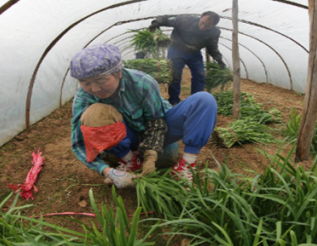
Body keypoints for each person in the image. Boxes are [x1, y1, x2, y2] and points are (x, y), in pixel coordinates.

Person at [70, 43, 218, 189]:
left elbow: (156, 123)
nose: (94, 89)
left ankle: (185, 166)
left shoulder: (142, 83)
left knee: (204, 100)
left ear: (119, 73)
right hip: (125, 139)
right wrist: (106, 171)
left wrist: (151, 155)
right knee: (95, 113)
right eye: (86, 83)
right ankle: (130, 160)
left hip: (158, 131)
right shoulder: (84, 97)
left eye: (101, 81)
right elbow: (78, 143)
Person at [148, 11, 226, 105]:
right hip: (176, 50)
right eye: (202, 23)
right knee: (174, 75)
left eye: (207, 26)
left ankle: (196, 100)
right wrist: (156, 23)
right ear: (200, 17)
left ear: (213, 25)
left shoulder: (214, 32)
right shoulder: (185, 20)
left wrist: (219, 60)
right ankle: (174, 100)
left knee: (200, 75)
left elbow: (212, 47)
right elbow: (166, 19)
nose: (203, 27)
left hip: (194, 53)